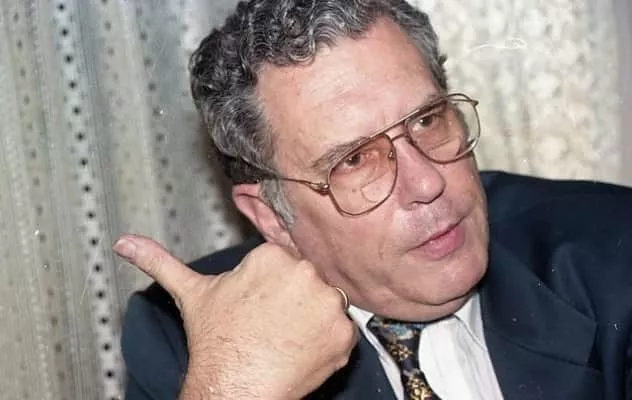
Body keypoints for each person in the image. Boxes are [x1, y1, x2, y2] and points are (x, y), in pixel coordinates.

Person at [115, 0, 632, 399]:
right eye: (355, 160)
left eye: (427, 120)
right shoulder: (194, 342)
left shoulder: (614, 250)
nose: (427, 184)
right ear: (270, 216)